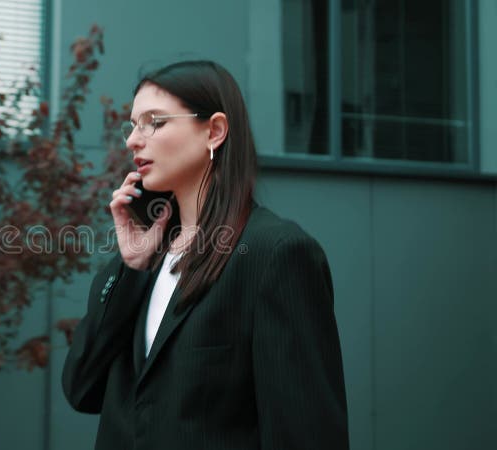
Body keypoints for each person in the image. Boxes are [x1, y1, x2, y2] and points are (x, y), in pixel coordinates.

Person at [61, 60, 349, 450]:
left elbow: (306, 434)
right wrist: (131, 268)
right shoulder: (148, 257)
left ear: (214, 131)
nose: (132, 140)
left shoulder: (276, 253)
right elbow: (81, 389)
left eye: (155, 122)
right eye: (132, 125)